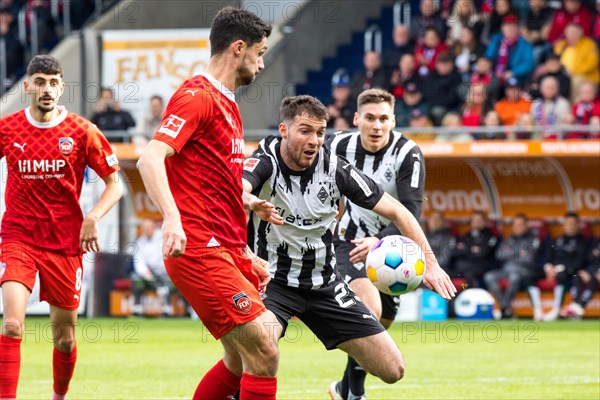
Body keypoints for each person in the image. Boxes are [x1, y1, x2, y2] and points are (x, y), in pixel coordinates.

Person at [242, 95, 456, 400]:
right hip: (273, 280)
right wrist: (250, 201)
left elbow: (402, 211)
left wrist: (431, 264)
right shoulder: (265, 157)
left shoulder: (338, 166)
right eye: (305, 131)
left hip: (325, 283)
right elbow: (237, 188)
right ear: (284, 130)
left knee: (393, 369)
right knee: (259, 351)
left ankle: (347, 389)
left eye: (319, 133)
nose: (314, 140)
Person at [136, 7, 279, 399]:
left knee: (239, 361)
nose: (263, 63)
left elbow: (217, 188)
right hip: (199, 248)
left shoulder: (228, 104)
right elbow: (150, 158)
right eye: (259, 52)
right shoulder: (196, 97)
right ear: (238, 48)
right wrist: (171, 219)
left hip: (225, 247)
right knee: (265, 345)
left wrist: (245, 247)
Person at [0, 55, 123, 399]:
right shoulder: (8, 128)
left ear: (62, 87)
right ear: (27, 87)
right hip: (18, 237)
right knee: (11, 325)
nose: (47, 89)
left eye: (53, 83)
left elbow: (116, 184)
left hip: (65, 244)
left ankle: (59, 396)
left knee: (64, 339)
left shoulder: (82, 131)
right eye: (39, 81)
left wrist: (92, 217)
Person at [327, 89, 453, 399]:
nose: (377, 125)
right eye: (369, 118)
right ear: (357, 119)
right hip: (347, 241)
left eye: (384, 118)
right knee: (370, 308)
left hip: (393, 248)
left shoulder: (407, 153)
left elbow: (411, 210)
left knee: (380, 325)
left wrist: (380, 242)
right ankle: (353, 395)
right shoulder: (337, 145)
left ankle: (347, 388)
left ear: (393, 120)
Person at [483, 213, 543, 319]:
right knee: (489, 276)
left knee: (514, 277)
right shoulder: (509, 239)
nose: (517, 227)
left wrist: (510, 253)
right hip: (506, 270)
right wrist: (518, 252)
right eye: (515, 225)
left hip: (524, 271)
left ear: (526, 226)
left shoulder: (532, 240)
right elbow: (499, 255)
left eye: (520, 225)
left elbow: (528, 258)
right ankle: (506, 307)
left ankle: (504, 309)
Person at [540, 212, 588, 321]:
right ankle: (543, 310)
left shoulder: (582, 241)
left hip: (573, 272)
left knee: (569, 275)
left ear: (577, 225)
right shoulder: (556, 241)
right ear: (564, 225)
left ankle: (563, 309)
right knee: (531, 276)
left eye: (573, 223)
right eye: (568, 223)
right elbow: (548, 257)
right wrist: (548, 267)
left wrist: (560, 268)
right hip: (555, 271)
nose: (570, 226)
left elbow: (579, 262)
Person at [452, 210, 498, 289]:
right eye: (473, 220)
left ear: (484, 222)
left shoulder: (490, 237)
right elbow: (455, 252)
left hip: (480, 267)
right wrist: (471, 249)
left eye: (478, 220)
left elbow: (482, 254)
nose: (475, 222)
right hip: (463, 267)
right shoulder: (466, 236)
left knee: (469, 275)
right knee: (446, 272)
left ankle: (471, 298)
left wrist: (466, 248)